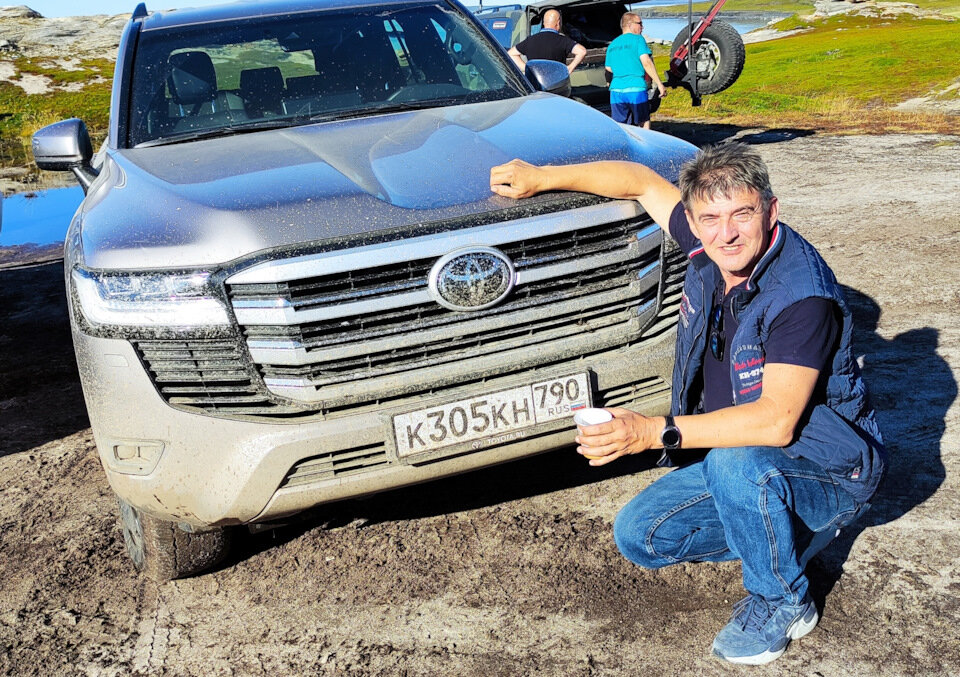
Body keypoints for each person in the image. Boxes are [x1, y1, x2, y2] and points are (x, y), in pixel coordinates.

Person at [489, 144, 885, 665]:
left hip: (830, 469)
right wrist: (542, 175)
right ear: (693, 223)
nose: (727, 233)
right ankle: (781, 533)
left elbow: (777, 422)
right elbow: (638, 181)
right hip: (749, 462)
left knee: (734, 462)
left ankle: (783, 599)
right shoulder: (707, 246)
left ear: (771, 211)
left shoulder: (801, 297)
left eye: (743, 214)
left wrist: (652, 432)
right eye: (711, 219)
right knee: (640, 536)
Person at [604, 12, 667, 129]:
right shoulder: (638, 39)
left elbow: (609, 68)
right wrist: (659, 84)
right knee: (643, 122)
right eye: (639, 23)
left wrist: (622, 69)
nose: (642, 27)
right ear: (629, 24)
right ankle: (645, 141)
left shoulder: (612, 44)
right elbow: (646, 62)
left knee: (621, 126)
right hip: (635, 88)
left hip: (616, 91)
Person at [508, 9, 587, 75]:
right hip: (557, 83)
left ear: (543, 23)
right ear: (558, 23)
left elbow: (511, 54)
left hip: (536, 83)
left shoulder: (530, 40)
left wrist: (527, 68)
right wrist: (570, 68)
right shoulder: (563, 40)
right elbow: (582, 51)